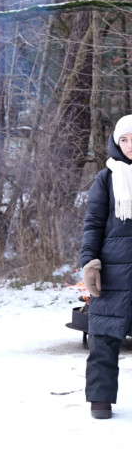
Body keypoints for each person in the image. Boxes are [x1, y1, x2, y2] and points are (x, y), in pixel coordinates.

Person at [80, 115, 132, 420]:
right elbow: (93, 223)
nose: (129, 146)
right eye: (123, 139)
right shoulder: (106, 178)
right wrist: (90, 262)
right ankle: (100, 399)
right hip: (113, 268)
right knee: (103, 338)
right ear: (116, 142)